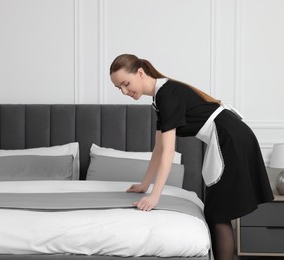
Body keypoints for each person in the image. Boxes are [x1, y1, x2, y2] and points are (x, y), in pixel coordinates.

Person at [109, 54, 274, 260]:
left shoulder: (166, 95)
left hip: (230, 138)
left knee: (218, 213)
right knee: (218, 213)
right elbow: (159, 148)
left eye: (126, 84)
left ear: (140, 73)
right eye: (119, 88)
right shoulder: (160, 97)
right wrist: (144, 185)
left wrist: (154, 196)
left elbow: (169, 151)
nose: (124, 91)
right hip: (229, 135)